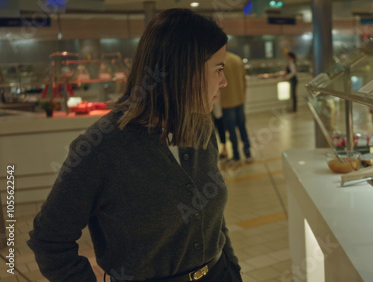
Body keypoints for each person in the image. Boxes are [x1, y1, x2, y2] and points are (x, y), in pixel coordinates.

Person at [28, 9, 242, 282]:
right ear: (184, 70)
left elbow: (213, 220)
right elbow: (49, 240)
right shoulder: (103, 147)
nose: (223, 82)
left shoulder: (200, 127)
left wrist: (232, 268)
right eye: (218, 68)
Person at [219, 51, 253, 165]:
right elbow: (244, 80)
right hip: (239, 99)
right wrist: (243, 96)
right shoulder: (237, 59)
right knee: (242, 127)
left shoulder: (220, 61)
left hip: (227, 102)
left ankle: (236, 156)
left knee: (232, 131)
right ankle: (248, 154)